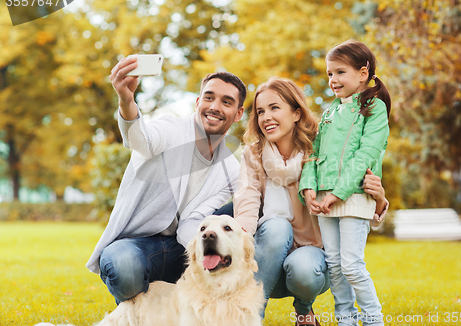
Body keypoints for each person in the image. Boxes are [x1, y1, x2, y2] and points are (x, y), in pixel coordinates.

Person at [86, 55, 245, 304]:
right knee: (124, 267)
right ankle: (142, 306)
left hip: (180, 250)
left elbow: (194, 220)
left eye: (226, 102)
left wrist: (207, 252)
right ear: (197, 102)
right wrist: (126, 100)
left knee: (242, 207)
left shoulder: (230, 170)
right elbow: (141, 139)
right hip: (136, 245)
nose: (215, 106)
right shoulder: (172, 130)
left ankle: (208, 294)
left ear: (238, 114)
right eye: (209, 97)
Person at [234, 77, 389, 326]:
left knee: (304, 268)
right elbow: (247, 200)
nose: (266, 117)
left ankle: (304, 309)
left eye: (275, 108)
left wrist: (379, 199)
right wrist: (240, 240)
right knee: (276, 226)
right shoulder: (253, 154)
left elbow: (351, 201)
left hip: (312, 261)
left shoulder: (320, 147)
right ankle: (250, 317)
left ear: (296, 113)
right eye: (260, 111)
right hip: (267, 260)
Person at [299, 40, 391, 326]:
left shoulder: (374, 109)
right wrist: (309, 188)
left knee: (351, 264)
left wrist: (338, 193)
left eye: (340, 72)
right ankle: (346, 320)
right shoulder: (329, 112)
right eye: (329, 74)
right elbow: (312, 154)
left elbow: (366, 153)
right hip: (325, 199)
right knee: (335, 267)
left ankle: (374, 319)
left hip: (353, 196)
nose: (333, 80)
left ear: (363, 73)